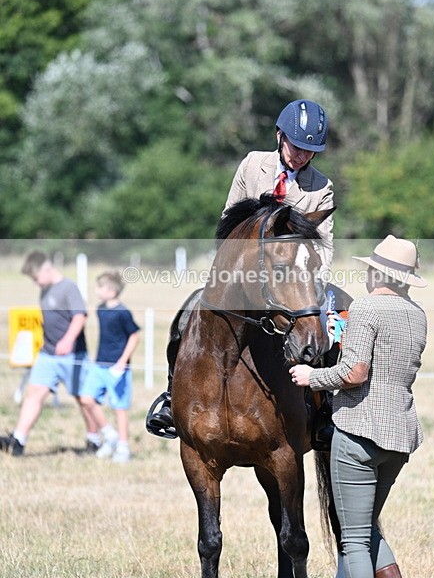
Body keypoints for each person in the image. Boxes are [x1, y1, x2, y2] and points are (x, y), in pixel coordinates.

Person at [146, 98, 335, 438]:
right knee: (187, 314)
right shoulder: (252, 165)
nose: (302, 155)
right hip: (242, 274)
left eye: (310, 151)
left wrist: (313, 283)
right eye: (297, 146)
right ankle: (172, 396)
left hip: (295, 277)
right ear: (279, 135)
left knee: (328, 325)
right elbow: (228, 220)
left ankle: (324, 411)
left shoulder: (320, 187)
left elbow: (325, 245)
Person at [289, 235, 428, 578]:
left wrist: (311, 377)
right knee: (365, 528)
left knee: (352, 539)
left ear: (376, 272)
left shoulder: (366, 307)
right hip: (399, 435)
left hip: (360, 432)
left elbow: (354, 373)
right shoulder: (416, 314)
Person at [0, 250, 98, 457]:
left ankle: (94, 440)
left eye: (36, 278)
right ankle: (18, 440)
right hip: (48, 353)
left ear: (46, 268)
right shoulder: (45, 289)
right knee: (34, 393)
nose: (35, 283)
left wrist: (68, 340)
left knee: (83, 398)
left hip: (73, 355)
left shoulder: (68, 288)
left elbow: (80, 317)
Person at [79, 270, 140, 463]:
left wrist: (122, 362)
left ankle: (123, 446)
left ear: (112, 291)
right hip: (99, 365)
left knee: (119, 408)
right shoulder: (99, 309)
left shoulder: (123, 312)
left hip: (118, 368)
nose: (97, 291)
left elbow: (134, 336)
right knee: (86, 399)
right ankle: (109, 434)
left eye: (100, 287)